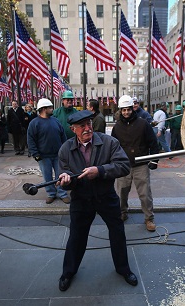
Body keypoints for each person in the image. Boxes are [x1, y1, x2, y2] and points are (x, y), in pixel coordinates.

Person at [56, 110, 138, 291]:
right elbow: (63, 175)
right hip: (80, 199)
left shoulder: (109, 142)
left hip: (105, 196)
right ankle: (68, 272)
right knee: (76, 236)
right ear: (73, 129)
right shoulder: (65, 149)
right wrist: (66, 180)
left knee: (117, 232)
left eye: (89, 124)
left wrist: (99, 171)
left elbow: (123, 166)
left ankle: (123, 269)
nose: (87, 128)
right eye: (82, 126)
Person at [111, 95, 160, 232]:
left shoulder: (143, 124)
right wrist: (114, 163)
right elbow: (113, 147)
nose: (126, 112)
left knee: (145, 194)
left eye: (128, 109)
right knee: (121, 193)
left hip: (141, 165)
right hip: (124, 166)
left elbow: (153, 144)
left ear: (132, 109)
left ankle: (149, 218)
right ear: (120, 110)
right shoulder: (117, 127)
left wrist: (154, 160)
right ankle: (123, 213)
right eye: (123, 110)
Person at [27, 98, 70, 204]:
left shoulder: (55, 121)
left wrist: (65, 150)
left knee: (61, 175)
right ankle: (51, 193)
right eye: (50, 107)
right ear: (43, 109)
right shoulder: (34, 123)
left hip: (58, 155)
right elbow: (30, 140)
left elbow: (63, 136)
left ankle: (62, 193)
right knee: (47, 176)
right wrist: (35, 154)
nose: (52, 109)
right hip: (43, 156)